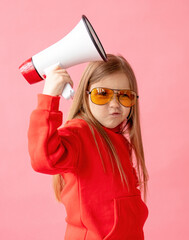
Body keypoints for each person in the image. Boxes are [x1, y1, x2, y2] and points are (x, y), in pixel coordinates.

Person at [28, 54, 149, 240]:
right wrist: (49, 97)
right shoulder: (79, 133)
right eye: (103, 94)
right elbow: (44, 158)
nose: (115, 104)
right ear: (85, 94)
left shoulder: (121, 141)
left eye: (125, 95)